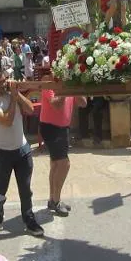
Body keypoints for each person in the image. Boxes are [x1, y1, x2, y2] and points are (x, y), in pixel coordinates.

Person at [0, 68, 44, 236]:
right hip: (2, 152)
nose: (3, 85)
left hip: (22, 149)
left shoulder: (12, 95)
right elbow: (8, 121)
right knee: (1, 188)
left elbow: (31, 109)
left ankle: (29, 220)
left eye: (4, 81)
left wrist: (17, 95)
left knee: (25, 188)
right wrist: (13, 99)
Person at [39, 79, 86, 216]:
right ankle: (56, 201)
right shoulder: (49, 84)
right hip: (51, 128)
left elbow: (83, 103)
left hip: (62, 127)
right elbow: (57, 105)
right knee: (64, 164)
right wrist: (65, 90)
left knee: (56, 165)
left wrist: (76, 89)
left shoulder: (70, 84)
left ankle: (53, 199)